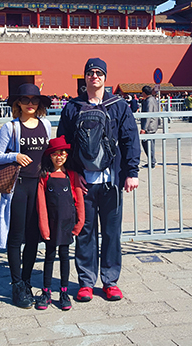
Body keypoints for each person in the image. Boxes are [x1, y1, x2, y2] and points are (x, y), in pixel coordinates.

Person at [57, 58, 140, 303]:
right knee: (85, 232)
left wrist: (131, 172)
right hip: (83, 182)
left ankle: (110, 281)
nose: (94, 76)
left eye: (99, 73)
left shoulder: (119, 106)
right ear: (84, 78)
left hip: (111, 182)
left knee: (112, 233)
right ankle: (85, 282)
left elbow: (130, 139)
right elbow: (64, 143)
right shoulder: (72, 107)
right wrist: (73, 175)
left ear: (105, 77)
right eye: (90, 73)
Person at [0, 83, 51, 308]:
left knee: (34, 237)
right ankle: (16, 284)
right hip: (19, 187)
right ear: (18, 103)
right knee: (16, 236)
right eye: (25, 100)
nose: (30, 104)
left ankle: (27, 281)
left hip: (40, 186)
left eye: (34, 100)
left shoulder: (45, 124)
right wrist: (14, 156)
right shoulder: (10, 127)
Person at [34, 136, 86, 311]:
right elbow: (41, 204)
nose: (59, 157)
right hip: (51, 224)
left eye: (62, 154)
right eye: (55, 154)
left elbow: (79, 201)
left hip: (67, 225)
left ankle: (64, 292)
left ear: (66, 155)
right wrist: (44, 227)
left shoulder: (72, 176)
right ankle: (46, 291)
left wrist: (78, 225)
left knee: (65, 256)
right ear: (50, 156)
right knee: (49, 257)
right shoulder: (45, 177)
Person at [140, 85, 160, 168]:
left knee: (147, 143)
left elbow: (148, 115)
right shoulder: (153, 99)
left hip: (149, 126)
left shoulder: (149, 101)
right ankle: (152, 160)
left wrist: (144, 128)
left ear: (144, 93)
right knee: (150, 143)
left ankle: (152, 161)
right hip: (153, 124)